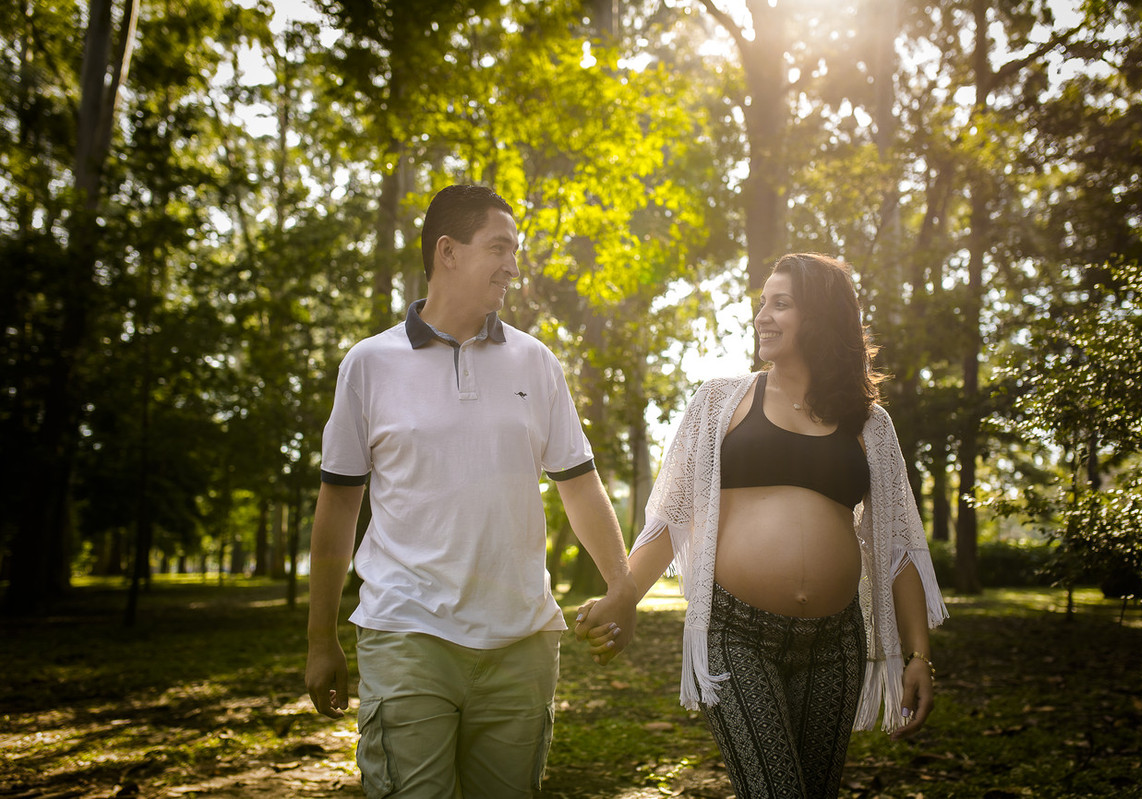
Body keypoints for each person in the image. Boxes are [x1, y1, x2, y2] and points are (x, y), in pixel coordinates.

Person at [306, 184, 638, 799]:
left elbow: (580, 485)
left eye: (515, 250)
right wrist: (320, 637)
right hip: (408, 633)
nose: (513, 265)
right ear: (448, 252)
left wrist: (621, 587)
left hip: (522, 643)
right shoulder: (368, 365)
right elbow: (338, 509)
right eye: (499, 247)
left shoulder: (536, 363)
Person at [577, 253, 948, 799]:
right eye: (761, 304)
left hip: (835, 644)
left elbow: (898, 544)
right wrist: (623, 594)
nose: (762, 317)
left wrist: (918, 656)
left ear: (820, 316)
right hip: (737, 634)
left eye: (781, 304)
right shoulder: (720, 401)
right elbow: (672, 518)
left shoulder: (868, 422)